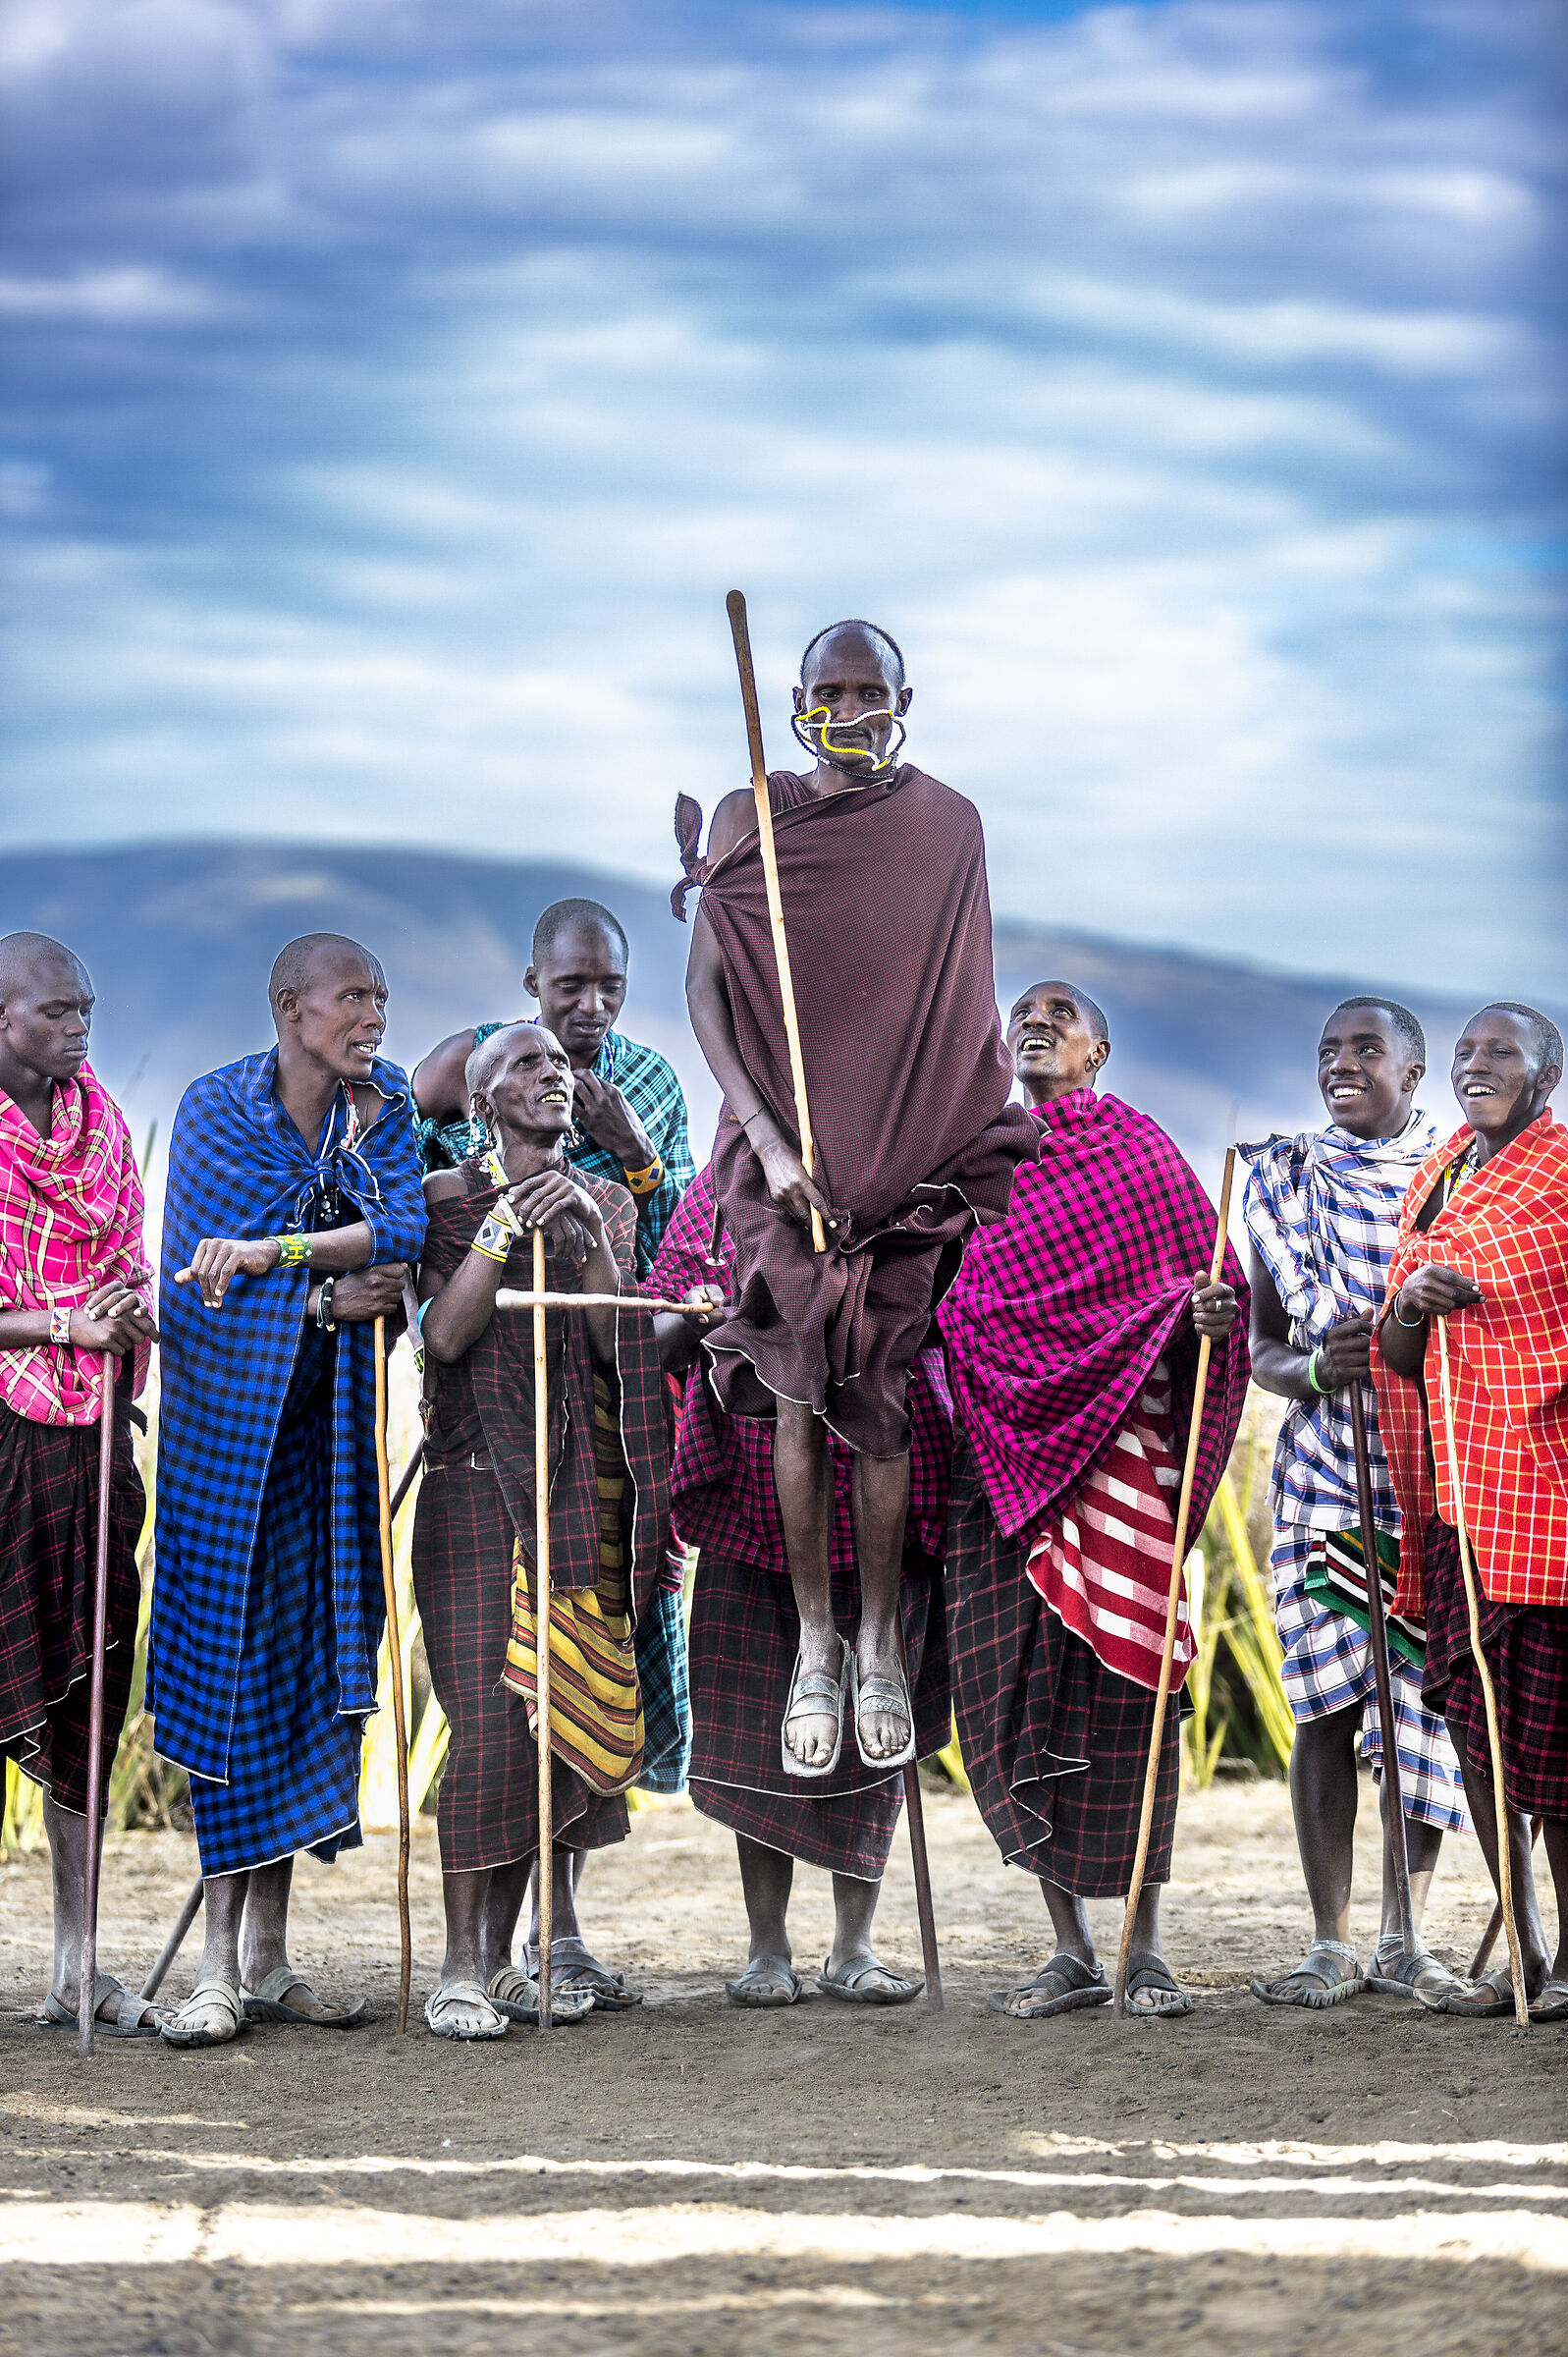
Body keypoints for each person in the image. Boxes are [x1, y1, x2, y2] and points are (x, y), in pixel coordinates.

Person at [676, 619, 1034, 1781]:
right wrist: (774, 1144)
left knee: (874, 1389)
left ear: (903, 695)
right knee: (793, 1387)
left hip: (900, 1162)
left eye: (865, 690)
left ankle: (879, 1641)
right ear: (792, 699)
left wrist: (919, 1144)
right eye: (824, 691)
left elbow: (954, 1008)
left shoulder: (948, 827)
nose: (845, 708)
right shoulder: (754, 815)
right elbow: (708, 995)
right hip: (777, 1161)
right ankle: (815, 1647)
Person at [937, 982, 1248, 2018]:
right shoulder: (971, 1154)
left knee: (1130, 1697)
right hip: (996, 1467)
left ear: (1098, 1050)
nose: (1037, 1020)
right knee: (1005, 1697)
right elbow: (943, 1301)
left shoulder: (1141, 1155)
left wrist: (1200, 1313)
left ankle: (1142, 1946)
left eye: (1060, 1013)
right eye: (1022, 1008)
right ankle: (1067, 1947)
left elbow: (1211, 1288)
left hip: (1114, 1466)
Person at [150, 934, 427, 2048]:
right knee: (231, 1676)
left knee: (315, 1665)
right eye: (353, 995)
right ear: (289, 1006)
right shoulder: (217, 1111)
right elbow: (192, 1282)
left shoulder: (386, 1107)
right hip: (230, 1453)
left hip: (331, 1444)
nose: (374, 1013)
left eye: (382, 995)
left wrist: (272, 1257)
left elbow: (402, 1234)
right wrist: (322, 1294)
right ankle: (214, 1966)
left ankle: (268, 1961)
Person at [413, 1021, 672, 2036]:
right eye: (524, 1063)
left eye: (558, 1065)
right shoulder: (445, 1200)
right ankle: (457, 1970)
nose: (551, 1075)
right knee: (485, 1725)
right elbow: (442, 1335)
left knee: (546, 1728)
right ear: (481, 1099)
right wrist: (502, 1231)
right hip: (476, 1487)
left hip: (579, 1494)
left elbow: (616, 1349)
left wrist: (591, 1240)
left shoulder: (603, 1199)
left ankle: (515, 1958)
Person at [649, 1165, 947, 2006]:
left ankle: (853, 1946)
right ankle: (766, 1947)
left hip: (884, 1496)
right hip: (752, 1503)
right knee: (753, 1734)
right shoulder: (722, 1189)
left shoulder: (903, 1181)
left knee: (873, 1720)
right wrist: (710, 1316)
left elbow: (956, 1313)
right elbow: (667, 1331)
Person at [1244, 1000, 1470, 2010]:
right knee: (1327, 1709)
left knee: (1418, 1714)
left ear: (1413, 1072)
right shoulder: (1284, 1182)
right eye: (1327, 1051)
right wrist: (1315, 1370)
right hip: (1324, 1487)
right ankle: (1328, 1943)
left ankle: (1403, 1936)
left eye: (1365, 1049)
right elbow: (1260, 1352)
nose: (1340, 1063)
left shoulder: (1461, 1182)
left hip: (1437, 1487)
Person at [1374, 1002, 1568, 2023]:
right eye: (1464, 1050)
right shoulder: (1439, 1184)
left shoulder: (1562, 1185)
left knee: (1559, 1729)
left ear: (1546, 1076)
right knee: (1472, 1719)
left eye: (1501, 1051)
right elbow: (1399, 1361)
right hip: (1456, 1500)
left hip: (1543, 1491)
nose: (1475, 1063)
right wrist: (1413, 1304)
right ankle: (1528, 1950)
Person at [0, 931, 162, 2037]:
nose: (78, 1027)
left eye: (86, 1010)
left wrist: (123, 1317)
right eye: (56, 1012)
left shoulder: (99, 1124)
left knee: (85, 1697)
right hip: (3, 1434)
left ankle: (76, 1960)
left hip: (94, 1435)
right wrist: (65, 1320)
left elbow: (131, 1269)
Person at [412, 897, 694, 1281]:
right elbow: (404, 1189)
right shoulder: (468, 1062)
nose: (594, 1006)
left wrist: (637, 1153)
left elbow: (681, 1239)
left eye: (611, 986)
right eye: (571, 986)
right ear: (534, 982)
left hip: (604, 1306)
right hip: (482, 1301)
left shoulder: (651, 1078)